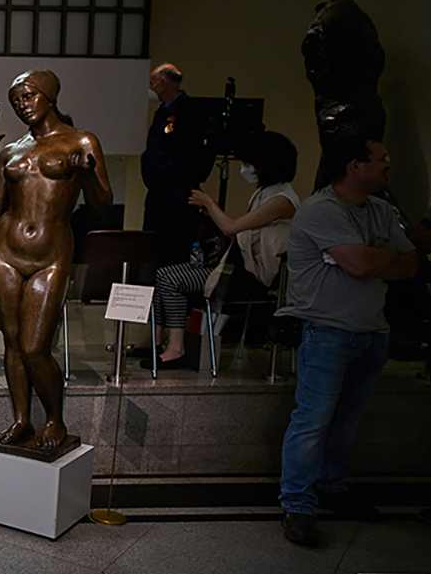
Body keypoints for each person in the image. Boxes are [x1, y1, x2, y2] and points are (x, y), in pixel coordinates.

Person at [0, 71, 112, 455]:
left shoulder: (81, 140)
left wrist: (87, 171)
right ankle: (21, 419)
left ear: (49, 96)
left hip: (50, 254)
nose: (23, 105)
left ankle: (55, 419)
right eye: (16, 101)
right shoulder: (12, 151)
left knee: (34, 346)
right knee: (11, 342)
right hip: (5, 253)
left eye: (28, 96)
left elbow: (102, 203)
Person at [276, 136, 415, 546]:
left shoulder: (382, 210)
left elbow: (410, 264)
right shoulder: (321, 211)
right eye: (380, 158)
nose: (388, 163)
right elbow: (359, 264)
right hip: (327, 330)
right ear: (355, 166)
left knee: (347, 420)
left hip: (371, 329)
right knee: (313, 420)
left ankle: (333, 486)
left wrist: (375, 257)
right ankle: (298, 503)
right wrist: (375, 257)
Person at [151, 131, 301, 366]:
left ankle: (175, 347)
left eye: (249, 163)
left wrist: (209, 203)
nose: (245, 168)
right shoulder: (264, 194)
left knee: (170, 278)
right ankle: (158, 341)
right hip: (238, 270)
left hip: (256, 279)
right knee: (164, 274)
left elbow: (231, 227)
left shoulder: (282, 201)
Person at [142, 63, 214, 264]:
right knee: (152, 250)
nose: (151, 86)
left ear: (164, 82)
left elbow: (196, 154)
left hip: (178, 195)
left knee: (175, 251)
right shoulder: (161, 113)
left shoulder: (190, 111)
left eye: (153, 81)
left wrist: (178, 178)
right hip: (157, 194)